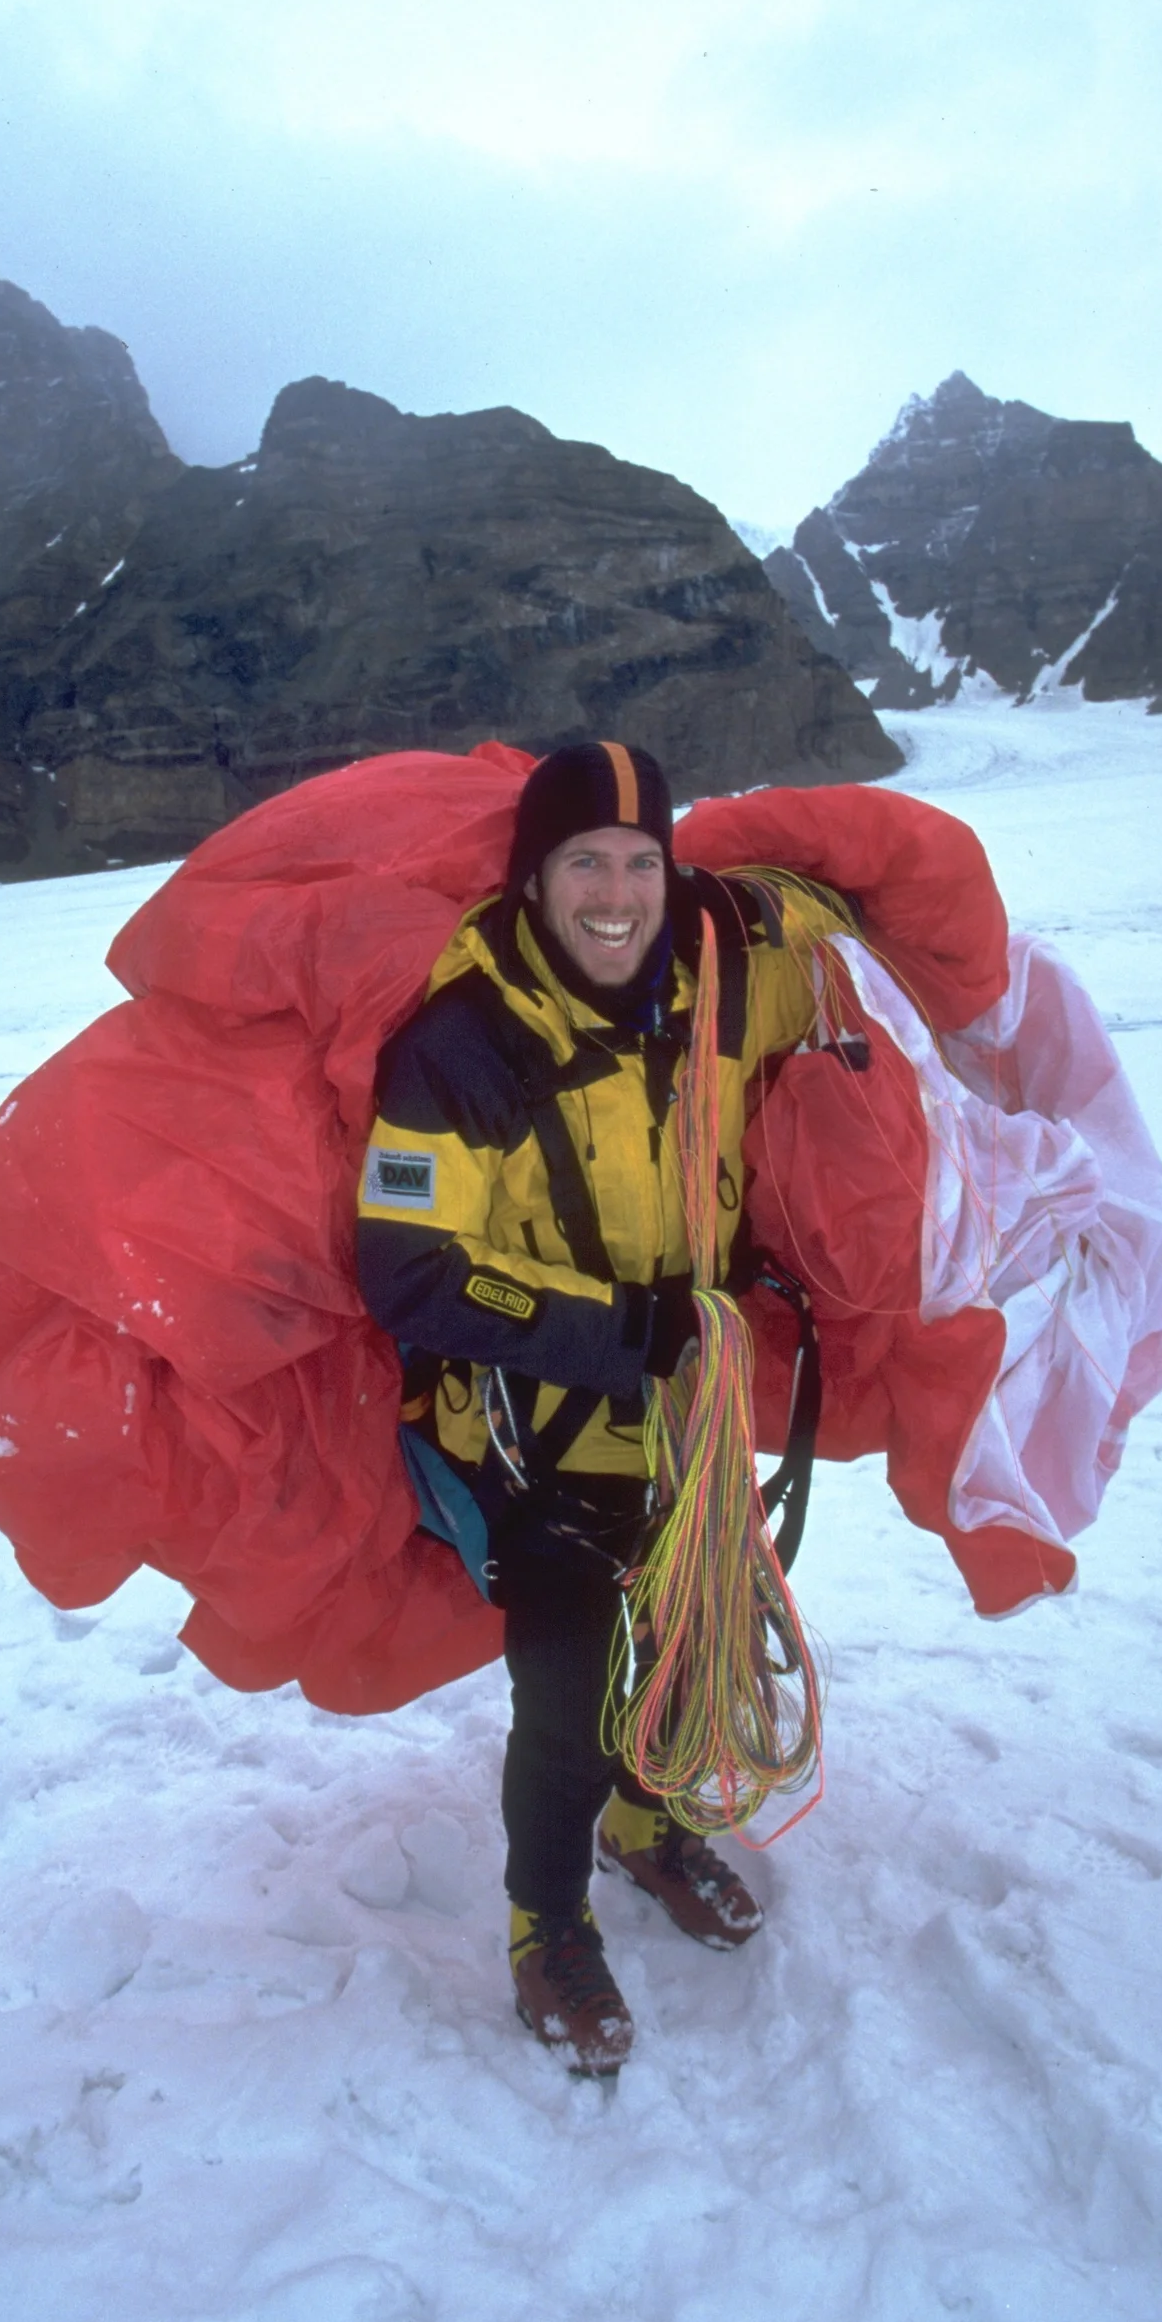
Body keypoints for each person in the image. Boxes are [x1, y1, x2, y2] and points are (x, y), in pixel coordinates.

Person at [354, 740, 853, 2075]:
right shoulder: (459, 1052)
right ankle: (546, 1923)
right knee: (569, 1694)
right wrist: (619, 1335)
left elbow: (855, 945)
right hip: (537, 1435)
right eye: (586, 862)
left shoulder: (714, 997)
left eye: (644, 861)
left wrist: (774, 904)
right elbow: (409, 1269)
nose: (617, 893)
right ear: (536, 879)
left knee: (687, 1646)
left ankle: (647, 1826)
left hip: (692, 1421)